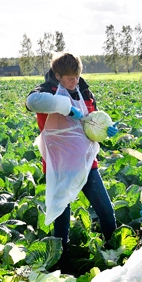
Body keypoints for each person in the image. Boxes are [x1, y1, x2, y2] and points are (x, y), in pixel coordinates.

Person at [25, 52, 118, 264]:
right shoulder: (45, 91)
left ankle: (114, 252)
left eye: (76, 76)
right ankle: (61, 260)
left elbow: (90, 122)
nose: (74, 81)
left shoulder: (84, 92)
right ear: (57, 75)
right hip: (59, 165)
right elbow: (31, 102)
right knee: (61, 215)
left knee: (105, 209)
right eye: (69, 78)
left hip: (86, 162)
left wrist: (106, 129)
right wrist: (67, 108)